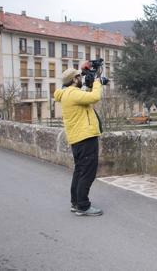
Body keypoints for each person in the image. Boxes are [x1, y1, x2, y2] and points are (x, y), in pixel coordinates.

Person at [54, 68, 103, 216]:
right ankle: (83, 205)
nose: (81, 78)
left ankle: (76, 203)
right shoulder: (73, 93)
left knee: (79, 171)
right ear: (74, 79)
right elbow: (95, 97)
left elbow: (86, 97)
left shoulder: (66, 94)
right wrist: (97, 83)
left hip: (77, 138)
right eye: (79, 77)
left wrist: (90, 84)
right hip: (85, 137)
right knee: (87, 173)